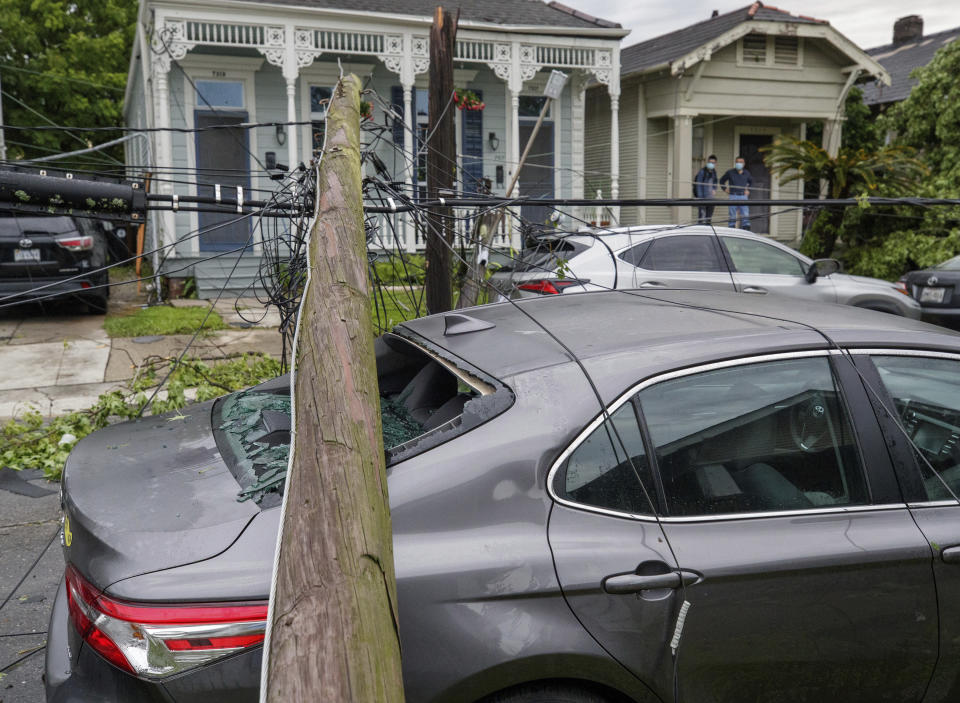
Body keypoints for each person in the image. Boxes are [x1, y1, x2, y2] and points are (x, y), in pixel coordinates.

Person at [719, 156, 753, 230]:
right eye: (737, 162)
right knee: (732, 216)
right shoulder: (730, 172)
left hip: (743, 196)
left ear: (744, 164)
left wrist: (748, 190)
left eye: (741, 162)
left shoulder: (747, 173)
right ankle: (731, 231)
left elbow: (751, 182)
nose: (739, 163)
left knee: (745, 215)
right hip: (733, 196)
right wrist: (725, 189)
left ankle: (746, 232)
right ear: (735, 163)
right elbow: (721, 181)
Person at [693, 155, 718, 224]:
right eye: (710, 162)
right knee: (702, 218)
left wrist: (714, 189)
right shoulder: (702, 172)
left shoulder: (714, 172)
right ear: (707, 162)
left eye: (713, 163)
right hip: (703, 198)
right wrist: (700, 198)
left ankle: (708, 230)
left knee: (708, 219)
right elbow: (698, 185)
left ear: (715, 163)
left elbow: (715, 182)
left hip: (711, 199)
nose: (711, 164)